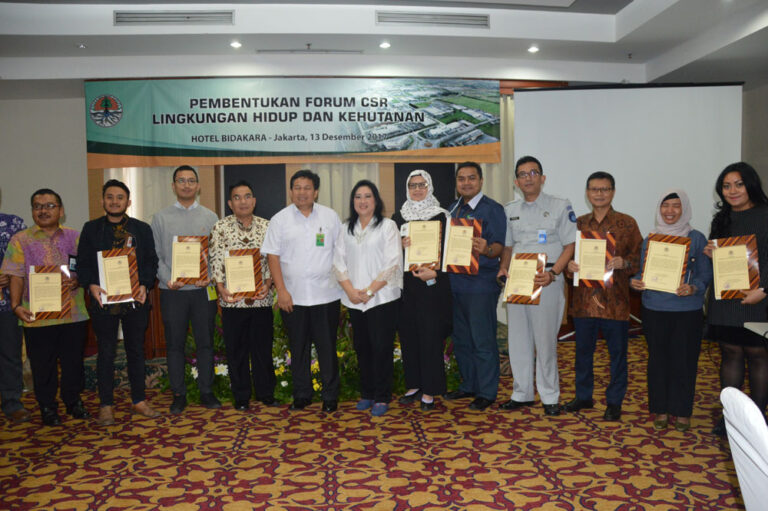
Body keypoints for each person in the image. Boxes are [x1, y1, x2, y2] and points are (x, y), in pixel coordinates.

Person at [1, 189, 90, 426]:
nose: (43, 210)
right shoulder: (20, 240)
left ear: (61, 211)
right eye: (37, 206)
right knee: (42, 365)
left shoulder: (75, 237)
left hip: (73, 313)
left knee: (73, 362)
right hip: (37, 315)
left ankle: (73, 401)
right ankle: (48, 406)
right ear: (32, 211)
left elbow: (85, 268)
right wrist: (15, 305)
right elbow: (15, 275)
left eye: (49, 205)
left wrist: (78, 280)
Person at [77, 179, 160, 426]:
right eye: (110, 197)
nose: (115, 201)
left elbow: (151, 261)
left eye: (120, 197)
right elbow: (83, 263)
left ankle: (139, 400)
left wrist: (145, 285)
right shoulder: (91, 229)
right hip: (103, 301)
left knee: (136, 350)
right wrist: (91, 285)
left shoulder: (141, 229)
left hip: (135, 300)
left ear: (128, 202)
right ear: (102, 201)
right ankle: (106, 405)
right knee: (106, 352)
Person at [498, 156, 576, 417]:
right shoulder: (510, 209)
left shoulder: (560, 205)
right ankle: (521, 393)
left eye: (533, 173)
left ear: (543, 178)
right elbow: (508, 246)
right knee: (518, 340)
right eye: (522, 174)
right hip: (518, 279)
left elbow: (570, 245)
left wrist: (554, 273)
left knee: (545, 341)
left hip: (547, 278)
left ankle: (550, 396)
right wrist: (503, 268)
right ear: (516, 182)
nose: (528, 178)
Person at [630, 190, 711, 431]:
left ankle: (682, 411)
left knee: (684, 361)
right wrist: (635, 282)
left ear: (684, 209)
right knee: (658, 360)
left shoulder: (696, 238)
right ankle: (661, 409)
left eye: (676, 205)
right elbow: (642, 271)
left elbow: (705, 274)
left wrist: (694, 287)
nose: (670, 211)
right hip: (654, 308)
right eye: (665, 205)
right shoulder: (651, 239)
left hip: (687, 310)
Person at [262, 169, 342, 413]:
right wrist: (281, 291)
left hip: (326, 295)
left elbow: (341, 253)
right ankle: (302, 394)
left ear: (315, 192)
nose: (302, 192)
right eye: (297, 187)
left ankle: (330, 396)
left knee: (327, 348)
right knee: (298, 348)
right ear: (290, 191)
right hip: (293, 297)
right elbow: (272, 257)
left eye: (307, 188)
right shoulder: (280, 220)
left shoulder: (330, 217)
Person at [565, 171, 642, 421]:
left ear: (613, 192)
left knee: (618, 355)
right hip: (584, 302)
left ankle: (614, 402)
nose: (599, 194)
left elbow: (640, 259)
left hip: (615, 303)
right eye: (594, 189)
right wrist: (570, 267)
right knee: (582, 353)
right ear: (587, 193)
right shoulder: (577, 224)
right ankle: (583, 396)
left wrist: (624, 262)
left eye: (605, 189)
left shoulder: (627, 223)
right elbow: (567, 258)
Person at [704, 162, 768, 436]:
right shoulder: (722, 218)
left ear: (751, 184)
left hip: (759, 297)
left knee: (758, 355)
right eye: (726, 186)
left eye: (738, 184)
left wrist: (763, 290)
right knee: (730, 353)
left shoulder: (765, 214)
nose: (732, 191)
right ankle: (730, 418)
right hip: (726, 299)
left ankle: (757, 421)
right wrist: (711, 252)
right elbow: (721, 257)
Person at [151, 165, 221, 414]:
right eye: (181, 180)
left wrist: (209, 277)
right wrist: (167, 278)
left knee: (205, 343)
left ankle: (206, 391)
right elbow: (155, 255)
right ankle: (179, 393)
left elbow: (216, 254)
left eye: (191, 180)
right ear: (173, 186)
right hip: (173, 292)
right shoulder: (160, 218)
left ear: (198, 186)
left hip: (202, 291)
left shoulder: (210, 217)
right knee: (174, 345)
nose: (186, 185)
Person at [333, 180, 402, 416]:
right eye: (358, 197)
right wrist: (351, 291)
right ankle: (367, 393)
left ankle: (382, 396)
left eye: (367, 196)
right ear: (353, 201)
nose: (362, 201)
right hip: (354, 299)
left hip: (382, 298)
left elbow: (392, 263)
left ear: (376, 200)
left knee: (381, 347)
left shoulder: (388, 226)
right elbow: (338, 262)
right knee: (362, 347)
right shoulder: (345, 228)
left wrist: (370, 291)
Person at [445, 161, 506, 411]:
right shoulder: (452, 209)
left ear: (481, 181)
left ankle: (486, 392)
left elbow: (500, 246)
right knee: (462, 340)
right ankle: (469, 384)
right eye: (461, 179)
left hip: (481, 285)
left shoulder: (493, 209)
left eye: (471, 178)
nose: (466, 183)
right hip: (455, 283)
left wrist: (487, 249)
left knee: (482, 340)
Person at [209, 180, 275, 411]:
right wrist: (220, 288)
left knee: (262, 349)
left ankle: (266, 393)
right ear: (230, 203)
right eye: (237, 197)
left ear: (254, 201)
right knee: (236, 351)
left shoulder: (267, 227)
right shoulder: (220, 227)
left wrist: (269, 283)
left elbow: (273, 260)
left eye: (247, 196)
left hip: (261, 299)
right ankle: (241, 396)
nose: (243, 201)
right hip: (233, 302)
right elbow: (215, 260)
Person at [392, 170, 452, 412]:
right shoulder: (398, 217)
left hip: (432, 286)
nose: (417, 189)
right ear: (407, 189)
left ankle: (429, 389)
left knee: (430, 338)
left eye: (422, 185)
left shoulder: (441, 216)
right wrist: (399, 244)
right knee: (409, 336)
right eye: (413, 185)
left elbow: (449, 252)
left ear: (430, 187)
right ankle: (414, 384)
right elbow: (389, 253)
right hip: (406, 288)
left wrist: (436, 274)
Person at [0, 210, 28, 424]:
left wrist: (12, 274)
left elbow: (27, 259)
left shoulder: (13, 223)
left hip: (8, 304)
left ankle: (12, 403)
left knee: (10, 354)